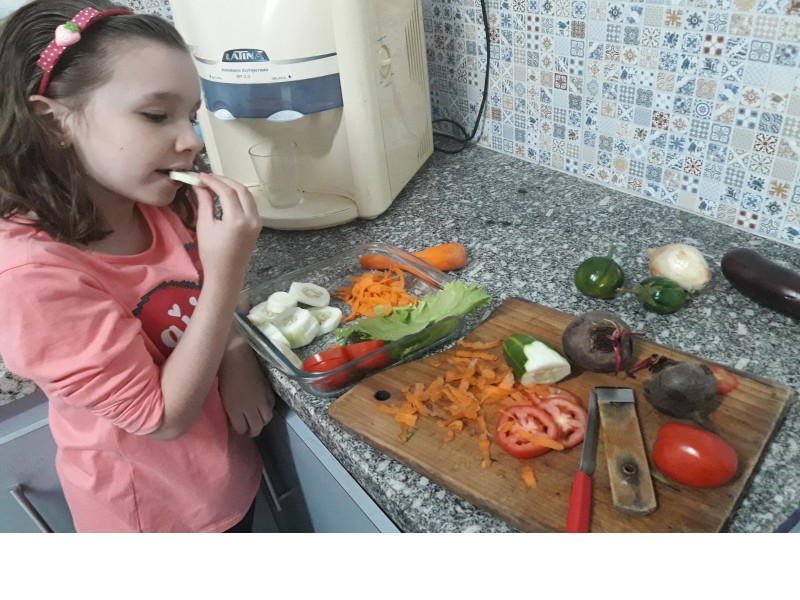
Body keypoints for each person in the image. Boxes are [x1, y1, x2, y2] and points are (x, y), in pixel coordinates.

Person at [0, 0, 275, 532]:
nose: (192, 140)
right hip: (152, 516)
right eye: (155, 116)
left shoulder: (158, 201)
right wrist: (228, 272)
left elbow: (204, 294)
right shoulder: (32, 277)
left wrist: (236, 350)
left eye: (191, 115)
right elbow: (162, 419)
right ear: (53, 122)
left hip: (225, 476)